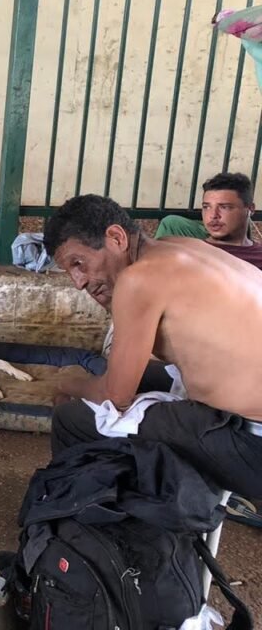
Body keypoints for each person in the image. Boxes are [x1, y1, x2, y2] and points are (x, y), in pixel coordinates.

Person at [43, 194, 262, 500]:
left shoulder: (139, 279)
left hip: (250, 447)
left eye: (79, 264)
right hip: (247, 423)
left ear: (116, 238)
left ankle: (75, 529)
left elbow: (115, 396)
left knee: (72, 417)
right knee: (138, 379)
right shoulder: (181, 248)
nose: (79, 282)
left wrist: (66, 382)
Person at [155, 172, 262, 268]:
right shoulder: (187, 252)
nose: (213, 215)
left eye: (225, 207)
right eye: (206, 207)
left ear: (250, 209)